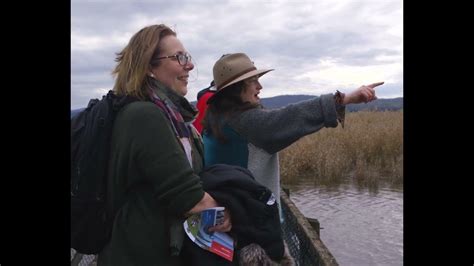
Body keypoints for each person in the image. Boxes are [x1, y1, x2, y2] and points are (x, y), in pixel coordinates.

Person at [97, 24, 231, 266]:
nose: (189, 65)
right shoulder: (145, 116)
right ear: (149, 67)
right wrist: (238, 213)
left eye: (187, 57)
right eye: (179, 58)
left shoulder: (172, 117)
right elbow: (190, 198)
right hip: (140, 255)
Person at [202, 53, 383, 218]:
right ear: (235, 89)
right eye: (252, 81)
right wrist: (344, 100)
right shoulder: (244, 122)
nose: (260, 86)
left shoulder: (218, 117)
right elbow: (289, 117)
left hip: (230, 217)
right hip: (250, 224)